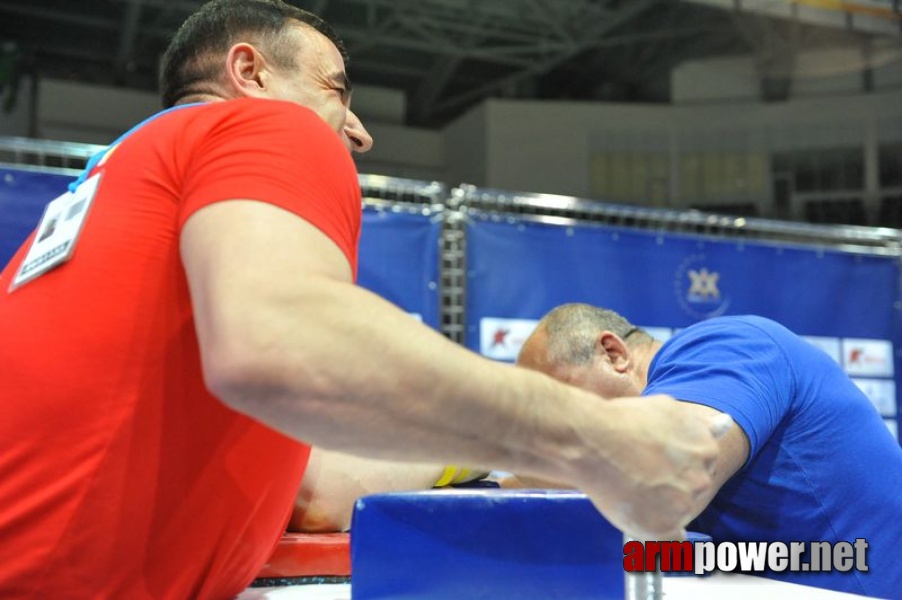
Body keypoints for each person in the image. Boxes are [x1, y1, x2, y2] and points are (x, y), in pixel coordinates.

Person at [0, 2, 728, 597]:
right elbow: (282, 344)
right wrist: (593, 437)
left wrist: (490, 462)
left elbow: (310, 487)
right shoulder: (266, 124)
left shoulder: (92, 205)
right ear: (249, 71)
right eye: (337, 89)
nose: (358, 130)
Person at [516, 303, 902, 598]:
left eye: (558, 397)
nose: (557, 420)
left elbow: (661, 478)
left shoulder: (725, 346)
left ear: (614, 354)